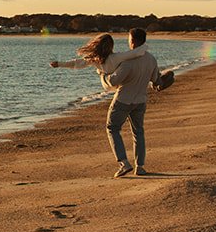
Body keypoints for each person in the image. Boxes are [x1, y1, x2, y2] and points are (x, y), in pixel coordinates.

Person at [51, 29, 162, 177]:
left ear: (133, 41)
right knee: (138, 132)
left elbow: (114, 80)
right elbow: (155, 79)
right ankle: (140, 167)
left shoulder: (127, 62)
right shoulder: (152, 59)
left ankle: (123, 163)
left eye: (129, 39)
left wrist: (103, 75)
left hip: (123, 100)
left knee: (112, 128)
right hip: (140, 101)